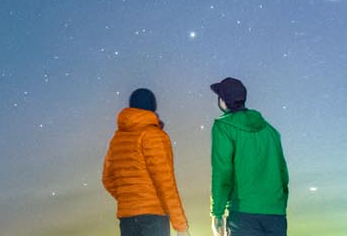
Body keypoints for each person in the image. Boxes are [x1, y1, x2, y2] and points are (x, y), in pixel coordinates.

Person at [102, 88, 192, 236]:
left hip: (127, 219)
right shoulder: (154, 136)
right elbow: (165, 183)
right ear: (153, 107)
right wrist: (180, 225)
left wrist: (130, 199)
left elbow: (107, 179)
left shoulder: (117, 139)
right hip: (153, 218)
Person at [208, 77, 288, 236]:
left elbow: (222, 173)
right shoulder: (270, 131)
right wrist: (279, 205)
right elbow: (283, 173)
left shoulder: (223, 126)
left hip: (244, 213)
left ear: (223, 101)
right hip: (276, 215)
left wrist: (217, 213)